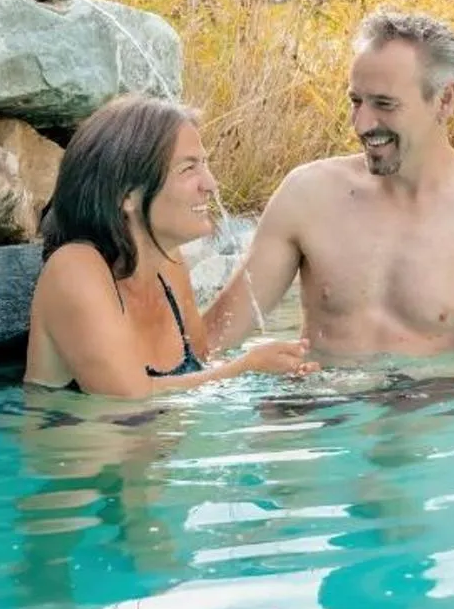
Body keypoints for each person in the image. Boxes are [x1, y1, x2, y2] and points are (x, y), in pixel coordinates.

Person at [205, 9, 454, 367]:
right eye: (355, 101)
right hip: (317, 413)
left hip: (425, 416)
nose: (362, 124)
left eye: (384, 104)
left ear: (445, 99)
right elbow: (209, 342)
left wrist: (384, 389)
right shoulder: (308, 194)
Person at [23, 93, 316, 397]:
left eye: (204, 165)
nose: (210, 184)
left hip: (157, 442)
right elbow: (126, 398)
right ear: (127, 194)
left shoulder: (169, 267)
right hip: (76, 443)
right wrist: (246, 367)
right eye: (189, 169)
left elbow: (205, 369)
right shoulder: (75, 268)